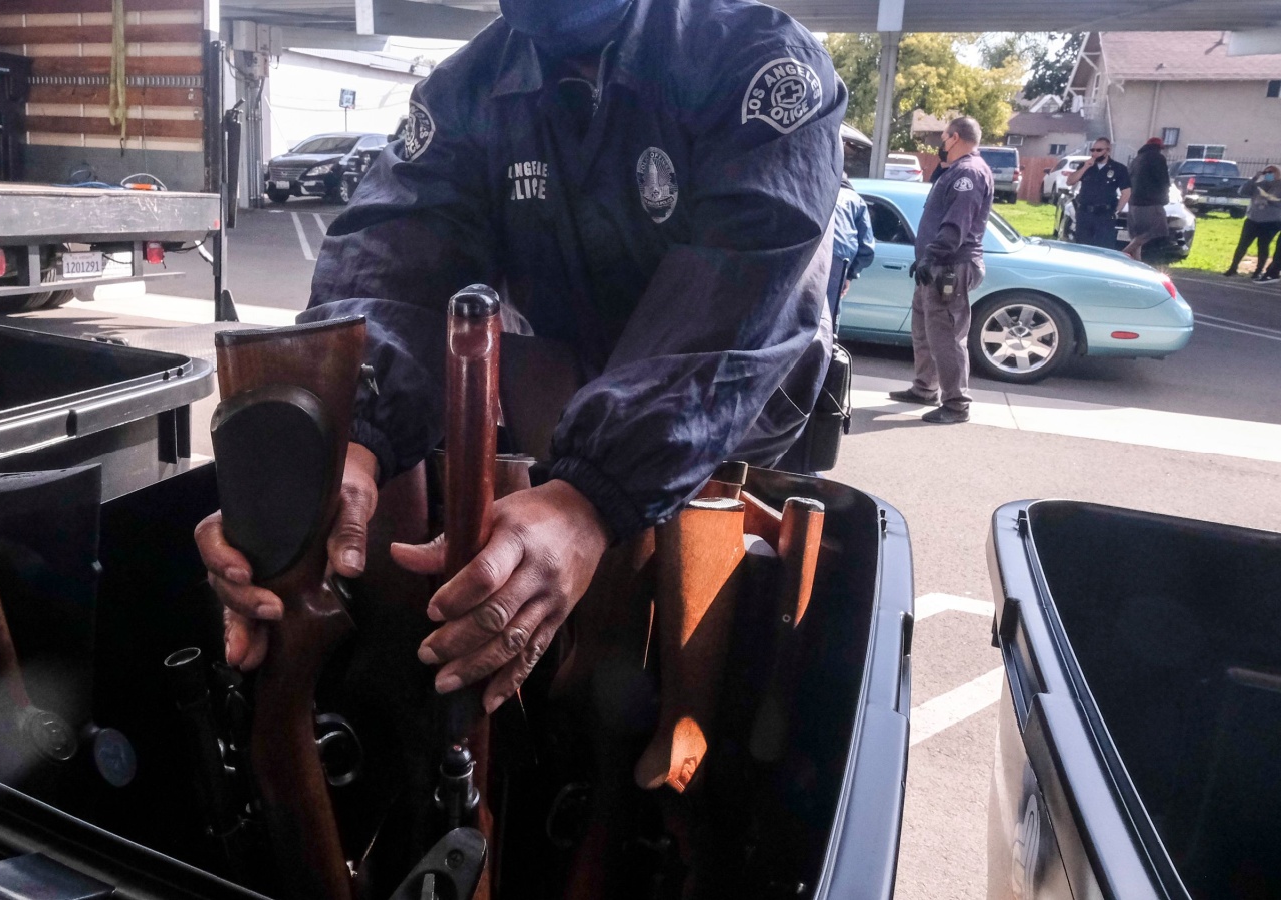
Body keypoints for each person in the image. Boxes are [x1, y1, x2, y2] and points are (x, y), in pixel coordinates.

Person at [198, 0, 847, 712]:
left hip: (735, 429)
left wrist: (589, 499)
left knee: (714, 690)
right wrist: (338, 442)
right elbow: (395, 260)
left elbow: (736, 295)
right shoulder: (464, 92)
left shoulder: (757, 61)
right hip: (567, 418)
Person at [887, 116, 993, 426]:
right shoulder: (955, 171)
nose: (940, 146)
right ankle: (925, 389)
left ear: (955, 138)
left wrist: (931, 257)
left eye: (943, 139)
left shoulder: (968, 174)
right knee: (924, 332)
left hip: (950, 266)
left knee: (946, 337)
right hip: (935, 265)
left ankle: (957, 404)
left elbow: (954, 227)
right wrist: (924, 260)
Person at [1065, 137, 1132, 249]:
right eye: (1093, 150)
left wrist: (1116, 212)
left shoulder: (1118, 169)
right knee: (1082, 247)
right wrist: (1085, 167)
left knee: (1103, 248)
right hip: (1084, 213)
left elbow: (1126, 193)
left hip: (1105, 214)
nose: (1095, 153)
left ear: (1108, 150)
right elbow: (1070, 181)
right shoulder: (1085, 166)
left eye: (1099, 150)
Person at [829, 177, 875, 326]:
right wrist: (850, 275)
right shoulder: (856, 200)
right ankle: (828, 346)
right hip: (838, 257)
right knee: (830, 312)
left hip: (809, 251)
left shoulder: (816, 189)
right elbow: (866, 246)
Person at [1226, 165, 1281, 282]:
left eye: (1272, 172)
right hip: (1253, 219)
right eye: (1267, 172)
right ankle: (1233, 267)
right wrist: (1254, 179)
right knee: (1242, 244)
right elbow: (1242, 191)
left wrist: (1269, 201)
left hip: (1271, 221)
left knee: (1263, 246)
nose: (1269, 174)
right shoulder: (1259, 184)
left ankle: (1258, 270)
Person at [1123, 137, 1171, 262]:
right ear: (1159, 148)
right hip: (1151, 202)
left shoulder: (1136, 160)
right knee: (1156, 230)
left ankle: (1136, 263)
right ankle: (1122, 255)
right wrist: (1165, 198)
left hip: (1133, 203)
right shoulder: (1158, 158)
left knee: (1137, 236)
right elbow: (1163, 180)